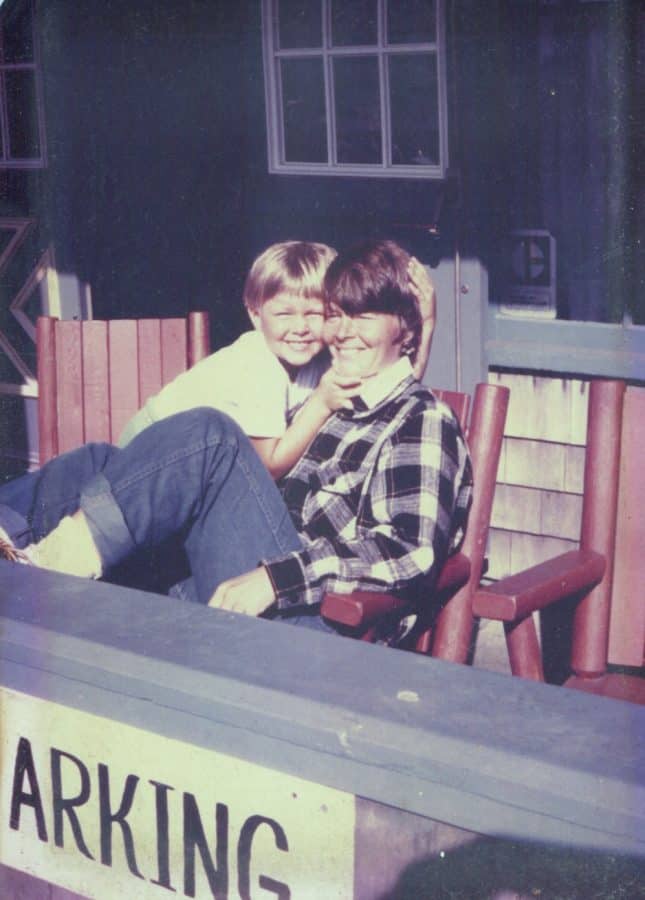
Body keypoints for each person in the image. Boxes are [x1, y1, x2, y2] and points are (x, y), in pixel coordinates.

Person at [0, 240, 470, 643]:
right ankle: (11, 537)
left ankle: (46, 571)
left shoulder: (424, 419)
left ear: (403, 329)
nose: (342, 331)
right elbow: (386, 378)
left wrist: (275, 579)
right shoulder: (338, 398)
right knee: (106, 461)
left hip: (312, 625)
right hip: (238, 583)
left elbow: (412, 550)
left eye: (363, 316)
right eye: (337, 314)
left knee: (212, 435)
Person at [118, 240, 436, 480]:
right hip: (151, 454)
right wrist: (321, 404)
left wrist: (427, 323)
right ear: (256, 315)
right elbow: (268, 467)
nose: (299, 328)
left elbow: (392, 389)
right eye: (284, 314)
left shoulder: (322, 360)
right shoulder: (258, 365)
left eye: (316, 314)